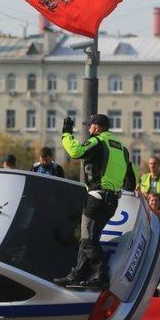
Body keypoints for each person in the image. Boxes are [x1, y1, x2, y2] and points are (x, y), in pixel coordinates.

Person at [54, 114, 136, 290]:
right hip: (112, 202)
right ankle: (77, 274)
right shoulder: (123, 148)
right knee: (88, 238)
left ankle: (101, 275)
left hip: (96, 198)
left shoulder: (98, 141)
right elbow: (132, 180)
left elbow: (75, 151)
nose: (89, 129)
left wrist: (66, 133)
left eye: (90, 126)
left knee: (88, 240)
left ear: (97, 127)